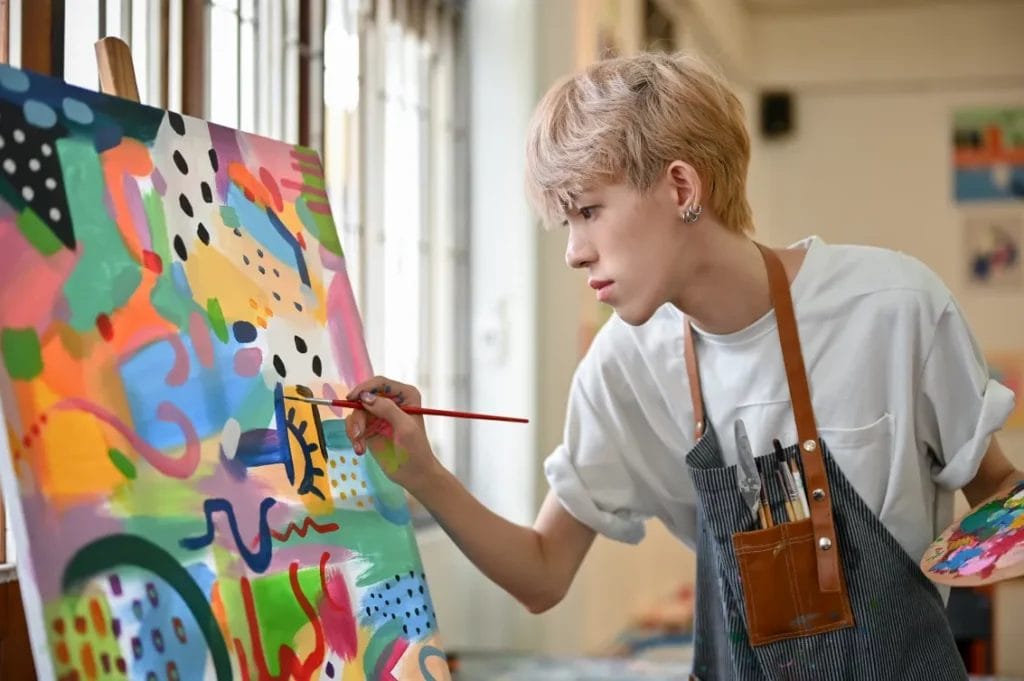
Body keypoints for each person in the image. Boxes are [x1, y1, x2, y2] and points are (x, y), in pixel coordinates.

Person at [344, 52, 1021, 680]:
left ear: (680, 186)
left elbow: (998, 491)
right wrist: (423, 473)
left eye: (588, 211)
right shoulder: (624, 365)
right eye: (566, 224)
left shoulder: (893, 309)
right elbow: (542, 574)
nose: (574, 251)